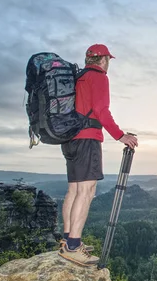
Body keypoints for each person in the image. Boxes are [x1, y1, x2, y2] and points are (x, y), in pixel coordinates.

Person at [58, 44, 138, 267]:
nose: (108, 64)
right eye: (108, 60)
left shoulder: (78, 77)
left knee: (74, 189)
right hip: (87, 138)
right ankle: (73, 246)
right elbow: (102, 111)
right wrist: (120, 135)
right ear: (103, 60)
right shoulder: (99, 78)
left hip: (70, 139)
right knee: (87, 191)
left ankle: (67, 239)